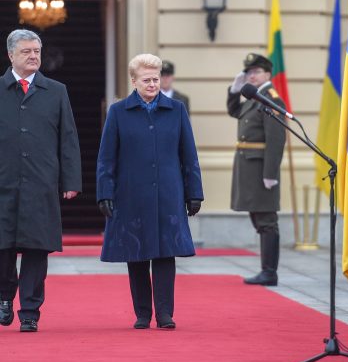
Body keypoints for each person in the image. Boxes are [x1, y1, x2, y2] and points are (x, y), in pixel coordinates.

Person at [96, 53, 203, 330]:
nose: (153, 84)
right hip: (131, 194)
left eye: (156, 79)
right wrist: (104, 192)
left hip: (169, 193)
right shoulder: (118, 112)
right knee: (137, 254)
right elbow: (107, 157)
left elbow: (188, 153)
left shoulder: (176, 109)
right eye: (146, 79)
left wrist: (195, 192)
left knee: (166, 254)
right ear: (134, 81)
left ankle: (165, 314)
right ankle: (142, 313)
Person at [0, 29, 81, 333]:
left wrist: (70, 180)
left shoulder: (56, 91)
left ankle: (30, 311)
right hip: (3, 183)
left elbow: (68, 138)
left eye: (37, 51)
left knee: (37, 248)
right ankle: (4, 296)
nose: (34, 56)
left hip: (41, 182)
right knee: (3, 247)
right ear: (11, 55)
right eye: (26, 51)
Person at [227, 53, 286, 286]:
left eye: (256, 72)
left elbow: (276, 140)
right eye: (248, 73)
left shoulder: (271, 99)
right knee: (259, 219)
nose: (251, 75)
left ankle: (269, 272)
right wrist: (234, 91)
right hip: (249, 167)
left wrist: (270, 174)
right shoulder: (255, 97)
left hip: (261, 168)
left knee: (267, 220)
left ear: (267, 74)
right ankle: (266, 270)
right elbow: (234, 111)